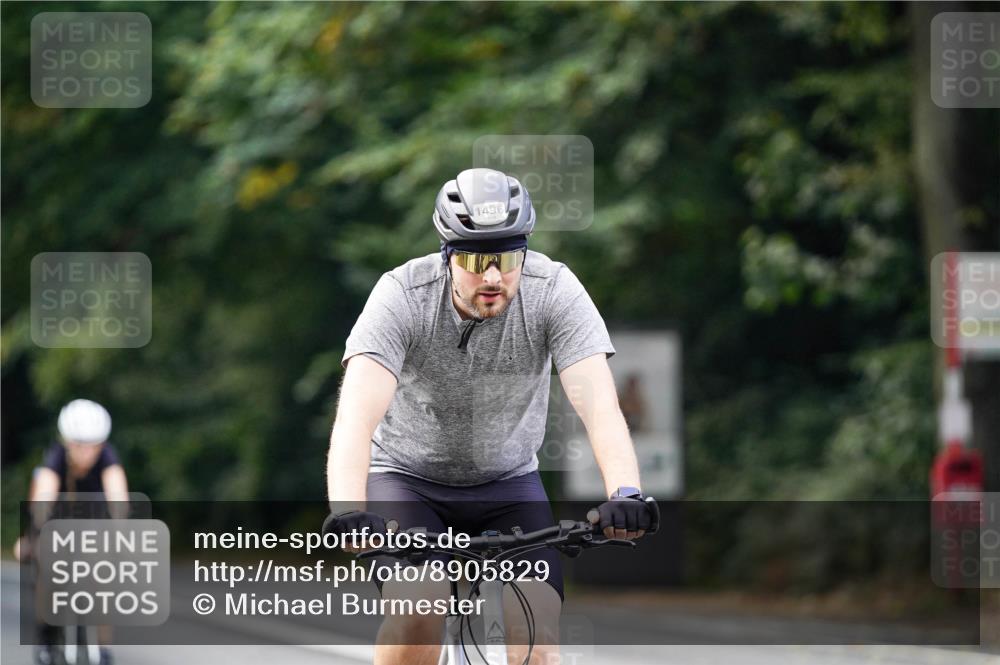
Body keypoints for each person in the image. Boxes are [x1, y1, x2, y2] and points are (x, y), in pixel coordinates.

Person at [324, 168, 657, 665]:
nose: (494, 277)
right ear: (448, 257)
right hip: (406, 480)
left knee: (537, 637)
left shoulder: (555, 291)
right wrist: (349, 512)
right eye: (478, 260)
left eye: (507, 258)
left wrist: (626, 493)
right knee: (420, 605)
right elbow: (356, 418)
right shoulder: (401, 297)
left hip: (508, 483)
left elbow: (601, 409)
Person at [26, 399, 129, 665]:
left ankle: (103, 648)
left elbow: (119, 498)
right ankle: (46, 636)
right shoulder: (56, 457)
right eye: (79, 445)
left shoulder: (108, 458)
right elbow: (43, 497)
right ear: (67, 441)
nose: (86, 452)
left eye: (93, 445)